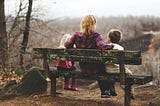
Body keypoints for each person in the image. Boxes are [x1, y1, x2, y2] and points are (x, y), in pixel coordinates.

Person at [64, 15, 114, 98]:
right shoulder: (96, 36)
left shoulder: (76, 36)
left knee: (100, 66)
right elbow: (102, 46)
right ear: (93, 24)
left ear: (82, 24)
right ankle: (105, 91)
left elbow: (67, 45)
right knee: (102, 67)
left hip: (83, 68)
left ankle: (106, 91)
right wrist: (112, 46)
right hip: (96, 68)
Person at [106, 29, 132, 96]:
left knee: (111, 75)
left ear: (109, 38)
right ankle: (129, 92)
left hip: (107, 70)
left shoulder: (106, 47)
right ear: (119, 39)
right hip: (118, 70)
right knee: (130, 74)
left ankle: (111, 88)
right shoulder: (120, 48)